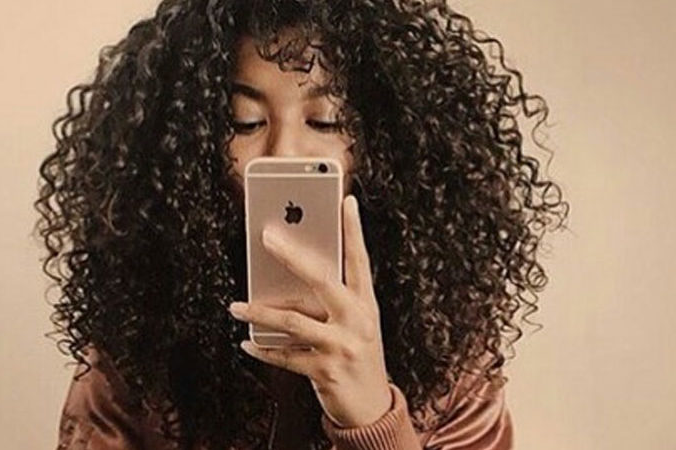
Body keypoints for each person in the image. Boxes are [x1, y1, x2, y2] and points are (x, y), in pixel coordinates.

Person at [33, 0, 569, 449]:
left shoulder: (450, 343)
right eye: (244, 122)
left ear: (382, 143)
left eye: (326, 121)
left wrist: (373, 418)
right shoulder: (138, 330)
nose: (284, 152)